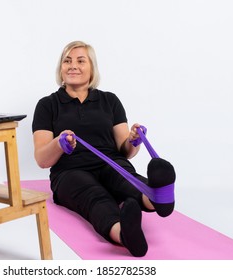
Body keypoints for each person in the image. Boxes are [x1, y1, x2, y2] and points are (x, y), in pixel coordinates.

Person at [32, 41, 175, 257]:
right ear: (60, 68)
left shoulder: (110, 100)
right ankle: (123, 234)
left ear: (92, 68)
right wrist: (59, 143)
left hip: (110, 162)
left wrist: (133, 140)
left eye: (81, 61)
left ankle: (155, 199)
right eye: (67, 61)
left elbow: (125, 150)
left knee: (125, 179)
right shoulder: (47, 105)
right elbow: (42, 159)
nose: (73, 66)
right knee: (95, 197)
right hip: (70, 171)